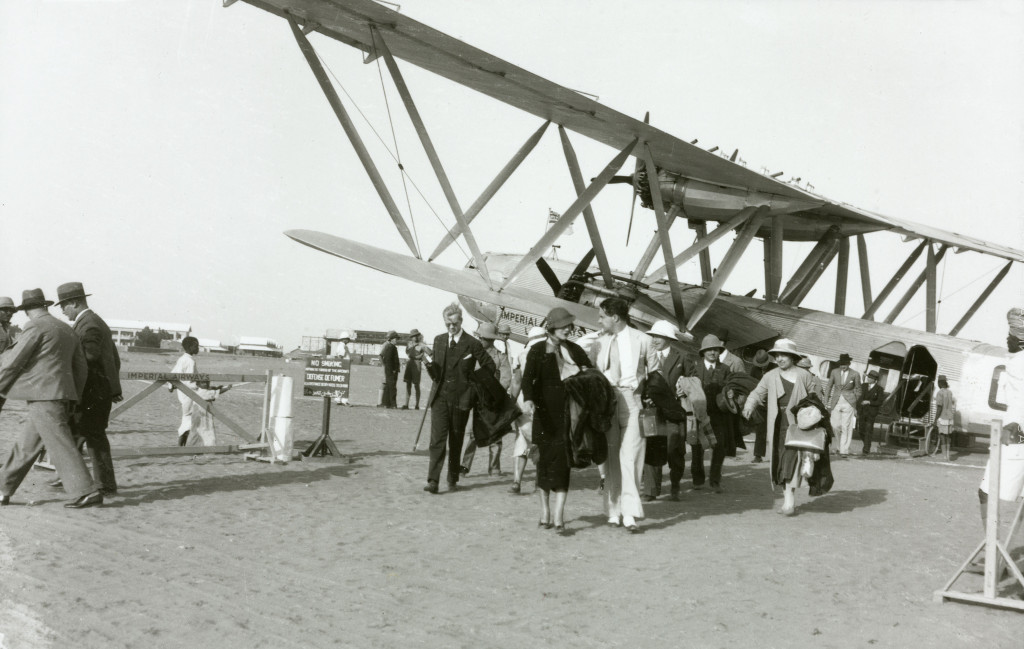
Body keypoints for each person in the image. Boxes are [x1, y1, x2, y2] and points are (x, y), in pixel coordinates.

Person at [0, 289, 103, 508]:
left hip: (43, 396)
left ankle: (85, 490)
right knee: (27, 444)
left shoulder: (35, 327)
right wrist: (74, 395)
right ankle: (2, 488)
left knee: (59, 443)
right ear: (44, 306)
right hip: (62, 396)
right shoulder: (66, 328)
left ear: (27, 310)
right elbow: (81, 367)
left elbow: (12, 362)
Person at [588, 297, 660, 532]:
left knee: (631, 457)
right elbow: (591, 372)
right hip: (607, 401)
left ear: (615, 317)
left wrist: (649, 394)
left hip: (633, 400)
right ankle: (613, 509)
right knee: (611, 457)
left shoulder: (644, 340)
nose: (599, 320)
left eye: (602, 316)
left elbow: (655, 373)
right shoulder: (598, 342)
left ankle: (629, 513)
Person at [521, 307, 592, 534]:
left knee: (562, 464)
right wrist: (529, 400)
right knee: (543, 462)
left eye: (569, 325)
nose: (568, 329)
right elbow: (527, 380)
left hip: (567, 414)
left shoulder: (575, 349)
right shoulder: (537, 350)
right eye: (564, 326)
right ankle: (545, 512)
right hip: (543, 415)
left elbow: (589, 374)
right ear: (551, 327)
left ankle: (559, 515)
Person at [54, 282, 122, 496]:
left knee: (93, 436)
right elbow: (114, 358)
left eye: (63, 306)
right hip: (97, 389)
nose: (63, 311)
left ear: (74, 302)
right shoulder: (92, 322)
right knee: (78, 433)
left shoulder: (89, 324)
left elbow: (89, 357)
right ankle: (72, 476)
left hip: (92, 391)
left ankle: (105, 485)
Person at [742, 338, 824, 515]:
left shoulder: (804, 376)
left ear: (792, 357)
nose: (779, 359)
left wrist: (813, 414)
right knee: (779, 461)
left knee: (791, 460)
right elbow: (757, 393)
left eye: (783, 355)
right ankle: (787, 497)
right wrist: (749, 405)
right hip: (777, 425)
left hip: (798, 425)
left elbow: (817, 398)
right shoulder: (770, 376)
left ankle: (789, 501)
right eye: (777, 355)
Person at [421, 303, 495, 493]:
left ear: (461, 321)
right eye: (447, 324)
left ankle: (452, 477)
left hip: (461, 400)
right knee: (437, 440)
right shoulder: (438, 340)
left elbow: (490, 366)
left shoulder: (472, 343)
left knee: (456, 439)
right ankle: (433, 481)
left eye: (454, 323)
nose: (451, 327)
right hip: (440, 398)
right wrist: (427, 362)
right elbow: (436, 373)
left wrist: (473, 387)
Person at [978, 308, 1024, 526]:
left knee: (986, 492)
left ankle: (991, 547)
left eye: (1012, 336)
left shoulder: (1018, 362)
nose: (1008, 339)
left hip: (1016, 435)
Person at [642, 320, 689, 501]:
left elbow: (694, 380)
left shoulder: (682, 357)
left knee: (674, 449)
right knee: (651, 448)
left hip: (674, 410)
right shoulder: (645, 356)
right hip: (652, 410)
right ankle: (651, 490)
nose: (654, 340)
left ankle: (675, 486)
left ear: (668, 339)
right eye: (653, 336)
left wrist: (685, 386)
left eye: (658, 337)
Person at [685, 334, 735, 493]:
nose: (713, 352)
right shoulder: (694, 367)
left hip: (719, 415)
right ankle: (698, 479)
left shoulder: (725, 369)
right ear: (703, 352)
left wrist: (731, 394)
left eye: (716, 350)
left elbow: (729, 388)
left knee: (719, 447)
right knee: (697, 447)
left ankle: (715, 481)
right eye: (709, 350)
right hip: (699, 414)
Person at [460, 322, 511, 476]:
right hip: (475, 398)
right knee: (472, 434)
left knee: (496, 434)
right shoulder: (472, 355)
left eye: (482, 338)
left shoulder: (501, 357)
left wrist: (494, 395)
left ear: (490, 340)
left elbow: (506, 378)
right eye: (479, 337)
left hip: (494, 400)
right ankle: (464, 466)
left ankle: (494, 467)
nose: (480, 340)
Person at [508, 326, 546, 494]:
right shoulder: (552, 353)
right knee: (542, 441)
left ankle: (517, 481)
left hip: (524, 403)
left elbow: (516, 382)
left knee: (521, 439)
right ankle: (539, 480)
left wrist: (511, 403)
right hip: (545, 403)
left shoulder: (522, 354)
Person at [824, 352, 861, 457]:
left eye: (845, 364)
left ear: (849, 364)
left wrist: (854, 400)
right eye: (841, 364)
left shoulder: (855, 374)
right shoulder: (834, 372)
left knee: (846, 427)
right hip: (836, 402)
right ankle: (840, 447)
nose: (843, 366)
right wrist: (826, 401)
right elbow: (829, 386)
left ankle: (843, 450)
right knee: (835, 426)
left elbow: (859, 389)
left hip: (849, 403)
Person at [169, 336, 200, 446]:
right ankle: (181, 445)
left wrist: (171, 386)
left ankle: (182, 445)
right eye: (196, 346)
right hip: (189, 394)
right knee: (189, 419)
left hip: (183, 394)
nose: (198, 348)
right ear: (190, 347)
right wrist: (199, 388)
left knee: (186, 418)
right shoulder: (189, 361)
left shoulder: (182, 359)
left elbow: (172, 375)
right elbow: (191, 381)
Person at [748, 349, 775, 463]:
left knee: (775, 429)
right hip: (760, 404)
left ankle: (776, 455)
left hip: (774, 403)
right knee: (760, 429)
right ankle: (758, 455)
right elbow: (751, 385)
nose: (762, 367)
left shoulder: (775, 369)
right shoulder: (754, 370)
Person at [188, 380, 232, 446]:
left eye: (207, 382)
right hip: (202, 415)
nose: (205, 384)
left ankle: (193, 445)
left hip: (198, 414)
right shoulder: (204, 392)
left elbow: (211, 389)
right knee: (206, 430)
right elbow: (216, 392)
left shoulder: (198, 390)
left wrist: (216, 388)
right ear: (198, 384)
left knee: (196, 430)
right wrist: (227, 388)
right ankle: (206, 446)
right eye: (203, 382)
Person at [858, 370, 885, 455]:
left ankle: (866, 449)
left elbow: (880, 402)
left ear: (875, 380)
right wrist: (857, 410)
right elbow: (859, 398)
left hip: (871, 413)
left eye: (871, 378)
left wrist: (869, 402)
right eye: (868, 377)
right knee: (860, 430)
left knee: (868, 431)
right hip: (862, 412)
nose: (868, 379)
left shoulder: (879, 389)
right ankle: (867, 444)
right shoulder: (863, 386)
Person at [932, 375, 955, 460]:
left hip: (943, 417)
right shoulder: (949, 392)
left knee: (942, 435)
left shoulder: (940, 393)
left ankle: (945, 456)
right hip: (950, 417)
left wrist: (935, 420)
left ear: (939, 383)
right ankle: (948, 455)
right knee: (947, 436)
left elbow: (939, 407)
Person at [402, 329, 424, 410]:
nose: (414, 337)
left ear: (418, 336)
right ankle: (406, 404)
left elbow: (423, 354)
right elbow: (407, 352)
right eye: (413, 336)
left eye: (416, 336)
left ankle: (417, 405)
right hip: (410, 363)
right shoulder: (409, 344)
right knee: (408, 383)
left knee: (416, 384)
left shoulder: (422, 345)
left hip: (417, 364)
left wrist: (417, 357)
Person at [331, 331, 354, 406]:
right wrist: (342, 366)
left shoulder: (342, 346)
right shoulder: (342, 346)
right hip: (344, 367)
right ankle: (344, 400)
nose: (348, 340)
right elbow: (340, 356)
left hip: (344, 366)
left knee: (340, 383)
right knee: (344, 384)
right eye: (347, 339)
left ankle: (338, 399)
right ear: (344, 339)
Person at [379, 331, 400, 409]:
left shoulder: (389, 346)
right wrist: (393, 369)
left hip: (389, 370)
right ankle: (393, 404)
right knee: (392, 387)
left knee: (388, 387)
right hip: (391, 370)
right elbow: (389, 360)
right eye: (396, 339)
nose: (397, 340)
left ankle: (386, 403)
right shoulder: (391, 347)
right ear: (391, 339)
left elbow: (384, 358)